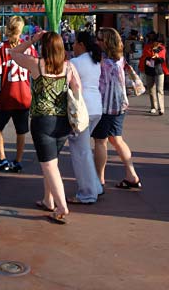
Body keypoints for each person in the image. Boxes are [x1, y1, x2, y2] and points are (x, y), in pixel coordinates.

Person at [10, 30, 82, 224]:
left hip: (43, 121)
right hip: (63, 121)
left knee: (49, 164)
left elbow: (13, 54)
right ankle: (48, 200)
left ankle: (61, 206)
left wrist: (31, 40)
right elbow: (77, 90)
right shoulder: (69, 67)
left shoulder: (36, 64)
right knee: (52, 163)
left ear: (44, 47)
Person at [93, 27, 142, 191]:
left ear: (105, 42)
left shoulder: (103, 62)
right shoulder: (120, 59)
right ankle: (131, 175)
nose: (96, 41)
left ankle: (99, 180)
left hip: (105, 106)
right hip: (120, 105)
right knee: (117, 139)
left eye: (99, 39)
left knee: (100, 141)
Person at [0, 16, 34, 174]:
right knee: (21, 130)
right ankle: (18, 161)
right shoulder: (28, 48)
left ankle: (2, 158)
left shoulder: (3, 49)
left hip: (7, 95)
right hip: (24, 96)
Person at [68, 30, 104, 205]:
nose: (73, 46)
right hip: (96, 108)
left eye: (75, 43)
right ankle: (95, 186)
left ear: (81, 44)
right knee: (85, 151)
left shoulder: (75, 62)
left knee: (80, 153)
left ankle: (88, 193)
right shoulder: (95, 60)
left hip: (83, 109)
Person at [141, 33, 167, 115]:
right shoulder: (147, 47)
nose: (158, 43)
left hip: (159, 71)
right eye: (156, 42)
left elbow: (162, 60)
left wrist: (157, 57)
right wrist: (149, 58)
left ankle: (161, 108)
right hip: (149, 70)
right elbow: (144, 57)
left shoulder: (162, 48)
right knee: (151, 90)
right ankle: (153, 107)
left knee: (160, 90)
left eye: (159, 42)